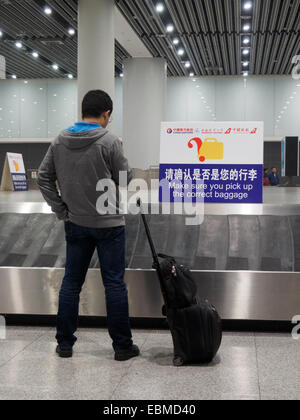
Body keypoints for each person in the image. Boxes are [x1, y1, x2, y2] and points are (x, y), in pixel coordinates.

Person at [37, 90, 139, 361]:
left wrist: (61, 209)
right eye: (109, 116)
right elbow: (126, 178)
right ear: (106, 114)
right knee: (114, 284)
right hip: (109, 224)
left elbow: (44, 177)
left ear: (83, 111)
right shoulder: (109, 140)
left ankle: (65, 344)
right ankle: (122, 347)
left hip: (76, 223)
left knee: (71, 282)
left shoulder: (60, 140)